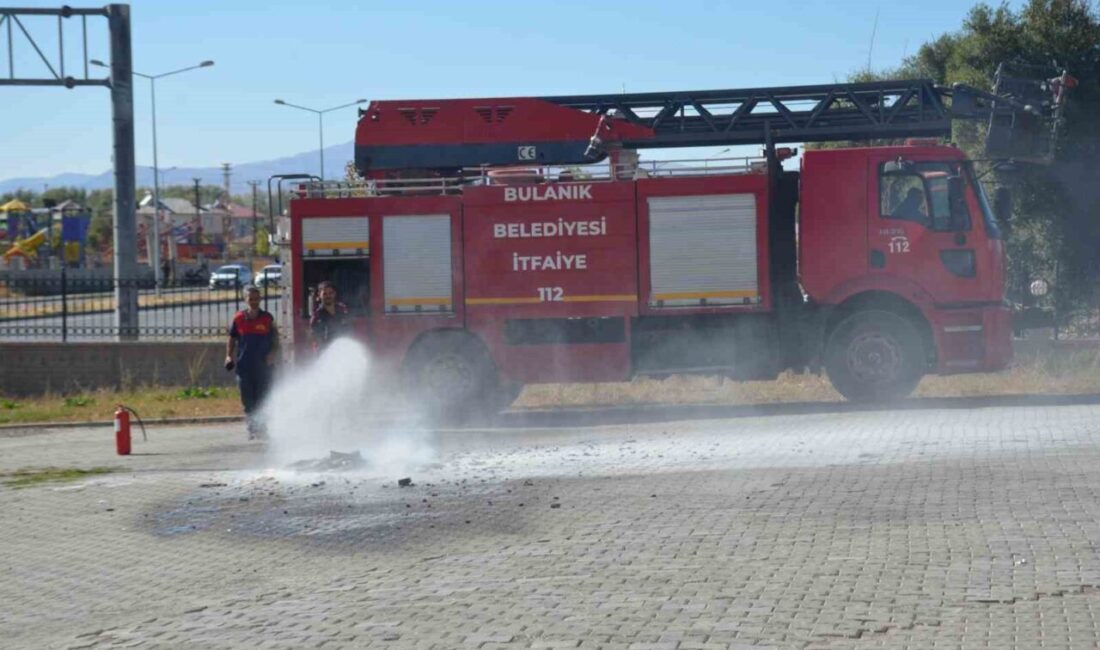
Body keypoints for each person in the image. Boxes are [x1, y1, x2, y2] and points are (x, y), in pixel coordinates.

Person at [225, 286, 278, 439]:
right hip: (244, 366)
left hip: (263, 367)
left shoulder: (267, 318)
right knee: (248, 400)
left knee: (262, 398)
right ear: (245, 300)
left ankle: (263, 428)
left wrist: (272, 354)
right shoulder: (239, 318)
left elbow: (275, 340)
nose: (254, 301)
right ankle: (253, 429)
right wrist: (228, 356)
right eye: (250, 299)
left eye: (256, 298)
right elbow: (232, 339)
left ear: (260, 299)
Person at [309, 280, 351, 349]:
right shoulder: (317, 315)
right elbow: (314, 336)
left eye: (331, 293)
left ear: (335, 294)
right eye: (325, 294)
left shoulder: (343, 309)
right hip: (325, 350)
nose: (328, 296)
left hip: (343, 348)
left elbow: (349, 329)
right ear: (319, 295)